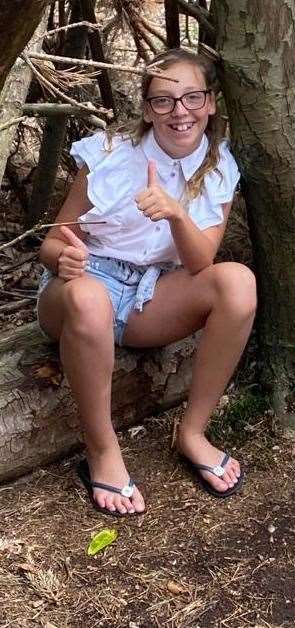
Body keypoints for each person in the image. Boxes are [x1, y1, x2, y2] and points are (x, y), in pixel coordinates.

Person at [37, 48, 256, 517]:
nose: (180, 111)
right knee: (90, 299)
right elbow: (52, 244)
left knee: (238, 283)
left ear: (212, 103)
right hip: (77, 291)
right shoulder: (111, 153)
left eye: (192, 97)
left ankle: (193, 432)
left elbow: (202, 262)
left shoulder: (219, 166)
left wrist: (176, 212)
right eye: (163, 101)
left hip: (148, 297)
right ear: (146, 108)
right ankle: (101, 448)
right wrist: (68, 258)